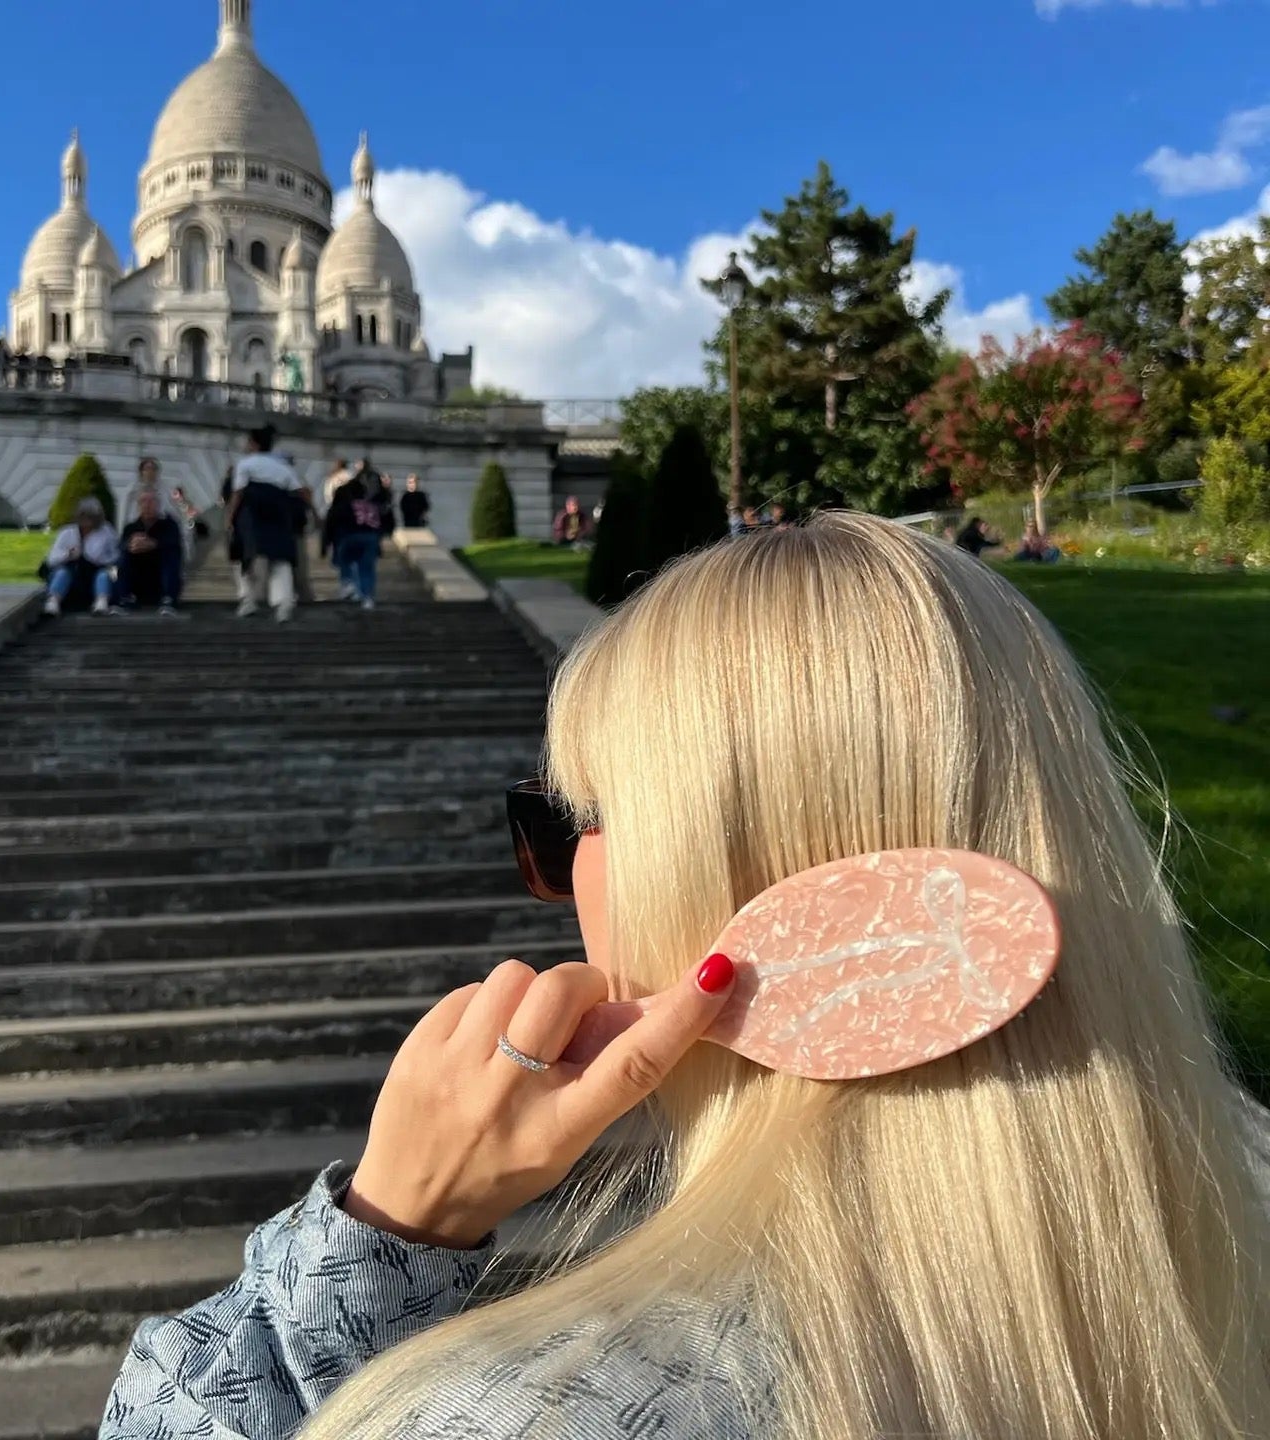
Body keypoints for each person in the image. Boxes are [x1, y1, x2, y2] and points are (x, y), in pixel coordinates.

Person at [99, 515, 1270, 1440]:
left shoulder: (529, 1412)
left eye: (563, 825)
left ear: (706, 865)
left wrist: (384, 1230)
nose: (553, 884)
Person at [225, 425, 318, 622]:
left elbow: (238, 493)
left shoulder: (245, 464)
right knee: (280, 558)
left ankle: (248, 599)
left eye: (248, 441)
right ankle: (284, 604)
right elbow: (302, 491)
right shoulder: (282, 467)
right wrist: (316, 514)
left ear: (254, 444)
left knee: (244, 556)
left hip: (252, 513)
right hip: (279, 513)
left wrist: (230, 519)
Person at [42, 498, 118, 617]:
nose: (87, 521)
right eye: (83, 516)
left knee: (104, 574)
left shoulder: (107, 532)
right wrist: (68, 555)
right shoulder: (66, 533)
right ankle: (53, 602)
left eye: (91, 517)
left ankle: (101, 603)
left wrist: (98, 559)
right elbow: (51, 559)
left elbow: (115, 556)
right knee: (62, 573)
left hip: (96, 571)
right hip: (72, 573)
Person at [113, 490, 184, 615]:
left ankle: (168, 599)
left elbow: (175, 545)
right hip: (139, 579)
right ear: (138, 506)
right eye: (143, 502)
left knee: (170, 553)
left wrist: (154, 544)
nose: (147, 505)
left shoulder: (169, 525)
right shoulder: (131, 528)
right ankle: (125, 598)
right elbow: (120, 546)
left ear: (158, 505)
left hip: (161, 578)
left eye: (151, 501)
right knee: (124, 555)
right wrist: (132, 545)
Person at [325, 474, 382, 610]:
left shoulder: (345, 505)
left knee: (345, 561)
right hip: (370, 538)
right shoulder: (371, 506)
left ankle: (349, 583)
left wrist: (327, 543)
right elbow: (379, 524)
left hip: (350, 537)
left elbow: (333, 524)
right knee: (366, 568)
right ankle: (367, 597)